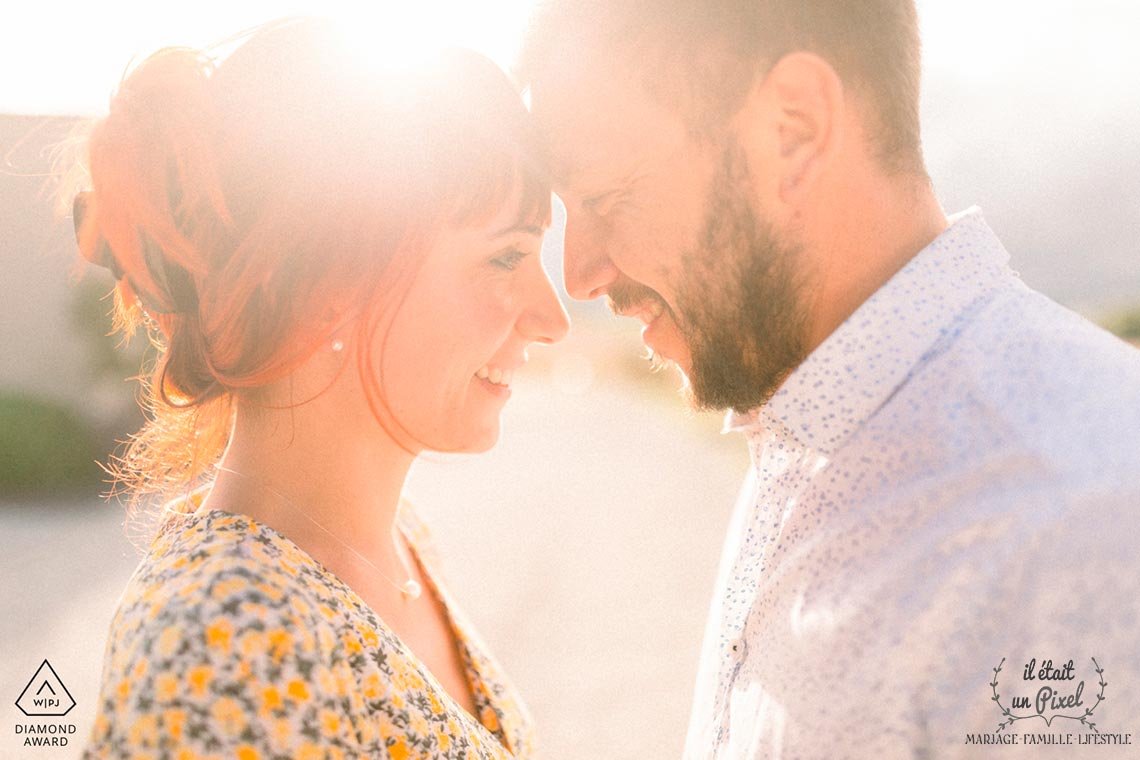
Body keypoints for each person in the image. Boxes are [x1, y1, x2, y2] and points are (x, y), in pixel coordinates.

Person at [519, 1, 1140, 757]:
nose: (580, 275)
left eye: (607, 197)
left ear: (794, 131)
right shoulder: (802, 423)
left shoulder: (1079, 526)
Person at [74, 17, 568, 759]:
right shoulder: (224, 647)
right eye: (505, 258)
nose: (554, 317)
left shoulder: (398, 540)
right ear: (330, 283)